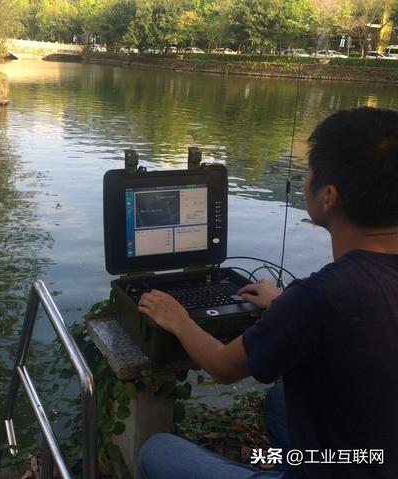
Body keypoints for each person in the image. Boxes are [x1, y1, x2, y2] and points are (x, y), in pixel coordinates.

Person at [137, 107, 398, 479]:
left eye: (308, 173)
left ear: (328, 196)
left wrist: (178, 319)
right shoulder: (320, 299)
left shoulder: (318, 299)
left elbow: (223, 367)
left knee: (157, 451)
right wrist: (285, 303)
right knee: (279, 400)